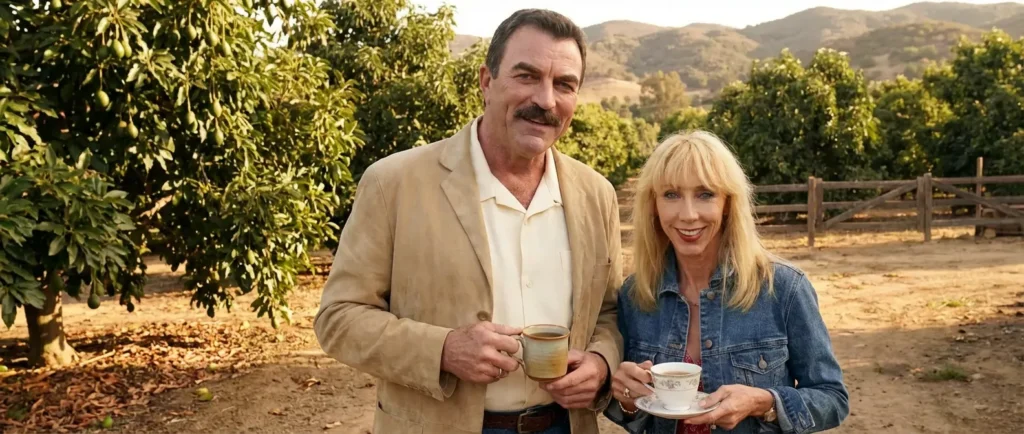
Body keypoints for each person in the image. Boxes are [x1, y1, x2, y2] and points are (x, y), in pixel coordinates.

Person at [314, 9, 624, 434]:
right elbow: (339, 318)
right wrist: (442, 349)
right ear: (486, 82)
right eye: (527, 76)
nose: (546, 100)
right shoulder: (394, 183)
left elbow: (607, 312)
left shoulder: (596, 194)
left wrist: (601, 362)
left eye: (564, 85)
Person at [603, 131, 849, 434]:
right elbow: (636, 413)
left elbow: (833, 398)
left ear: (728, 204)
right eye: (671, 195)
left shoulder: (784, 288)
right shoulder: (635, 295)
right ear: (653, 205)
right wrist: (627, 396)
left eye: (705, 194)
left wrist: (765, 402)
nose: (688, 214)